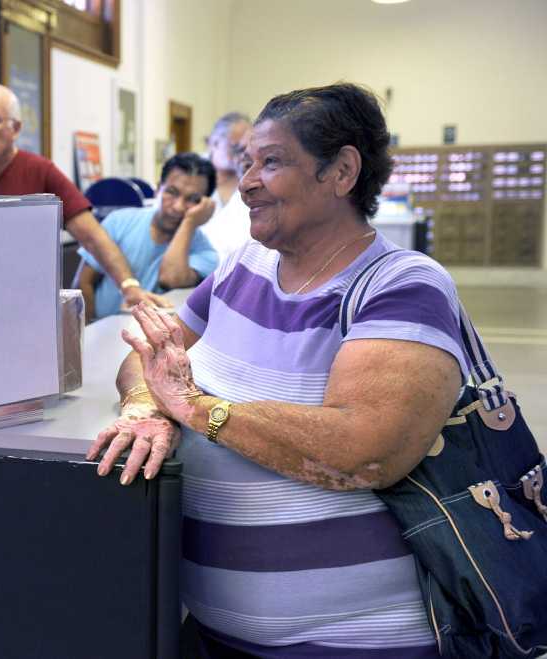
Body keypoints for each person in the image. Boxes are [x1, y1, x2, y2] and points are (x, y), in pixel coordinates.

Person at [88, 83, 467, 657]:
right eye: (245, 163)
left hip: (353, 641)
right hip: (214, 630)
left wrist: (194, 408)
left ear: (341, 172)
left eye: (272, 162)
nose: (245, 183)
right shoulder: (245, 266)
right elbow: (147, 361)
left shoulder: (403, 286)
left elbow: (367, 450)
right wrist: (146, 408)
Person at [0, 82, 169, 309]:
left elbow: (93, 237)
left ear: (15, 128)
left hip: (27, 306)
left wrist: (129, 286)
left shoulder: (41, 172)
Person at [76, 152, 219, 319]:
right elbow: (83, 283)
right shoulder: (119, 221)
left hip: (155, 340)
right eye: (172, 192)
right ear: (158, 189)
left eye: (193, 199)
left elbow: (170, 278)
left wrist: (189, 223)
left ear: (205, 205)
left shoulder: (205, 252)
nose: (178, 207)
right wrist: (86, 332)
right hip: (101, 331)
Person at [201, 112, 253, 259]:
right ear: (214, 143)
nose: (243, 154)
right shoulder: (190, 174)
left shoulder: (253, 180)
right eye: (236, 147)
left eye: (247, 147)